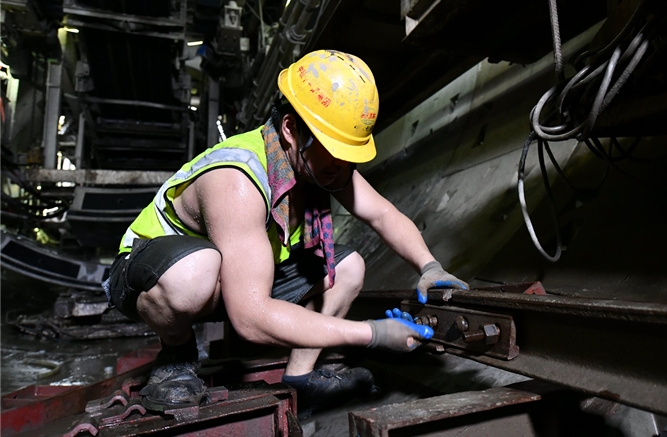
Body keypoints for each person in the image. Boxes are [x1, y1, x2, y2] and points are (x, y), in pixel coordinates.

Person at [102, 49, 469, 413]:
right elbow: (250, 316)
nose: (342, 163)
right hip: (155, 275)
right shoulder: (238, 178)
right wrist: (373, 334)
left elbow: (383, 215)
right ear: (291, 128)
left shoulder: (320, 163)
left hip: (236, 276)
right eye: (333, 148)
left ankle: (302, 378)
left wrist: (430, 267)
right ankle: (176, 358)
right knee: (195, 272)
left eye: (349, 152)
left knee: (347, 266)